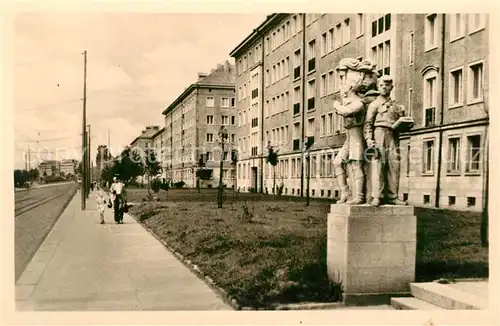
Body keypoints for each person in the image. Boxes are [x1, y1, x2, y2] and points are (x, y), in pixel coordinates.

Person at [364, 75, 409, 207]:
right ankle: (377, 196)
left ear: (391, 87)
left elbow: (401, 123)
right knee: (378, 165)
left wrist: (405, 121)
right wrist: (369, 139)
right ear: (378, 87)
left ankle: (393, 196)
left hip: (393, 135)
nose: (384, 87)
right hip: (379, 134)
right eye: (382, 85)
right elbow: (368, 123)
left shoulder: (396, 106)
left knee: (394, 166)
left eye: (387, 85)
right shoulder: (374, 105)